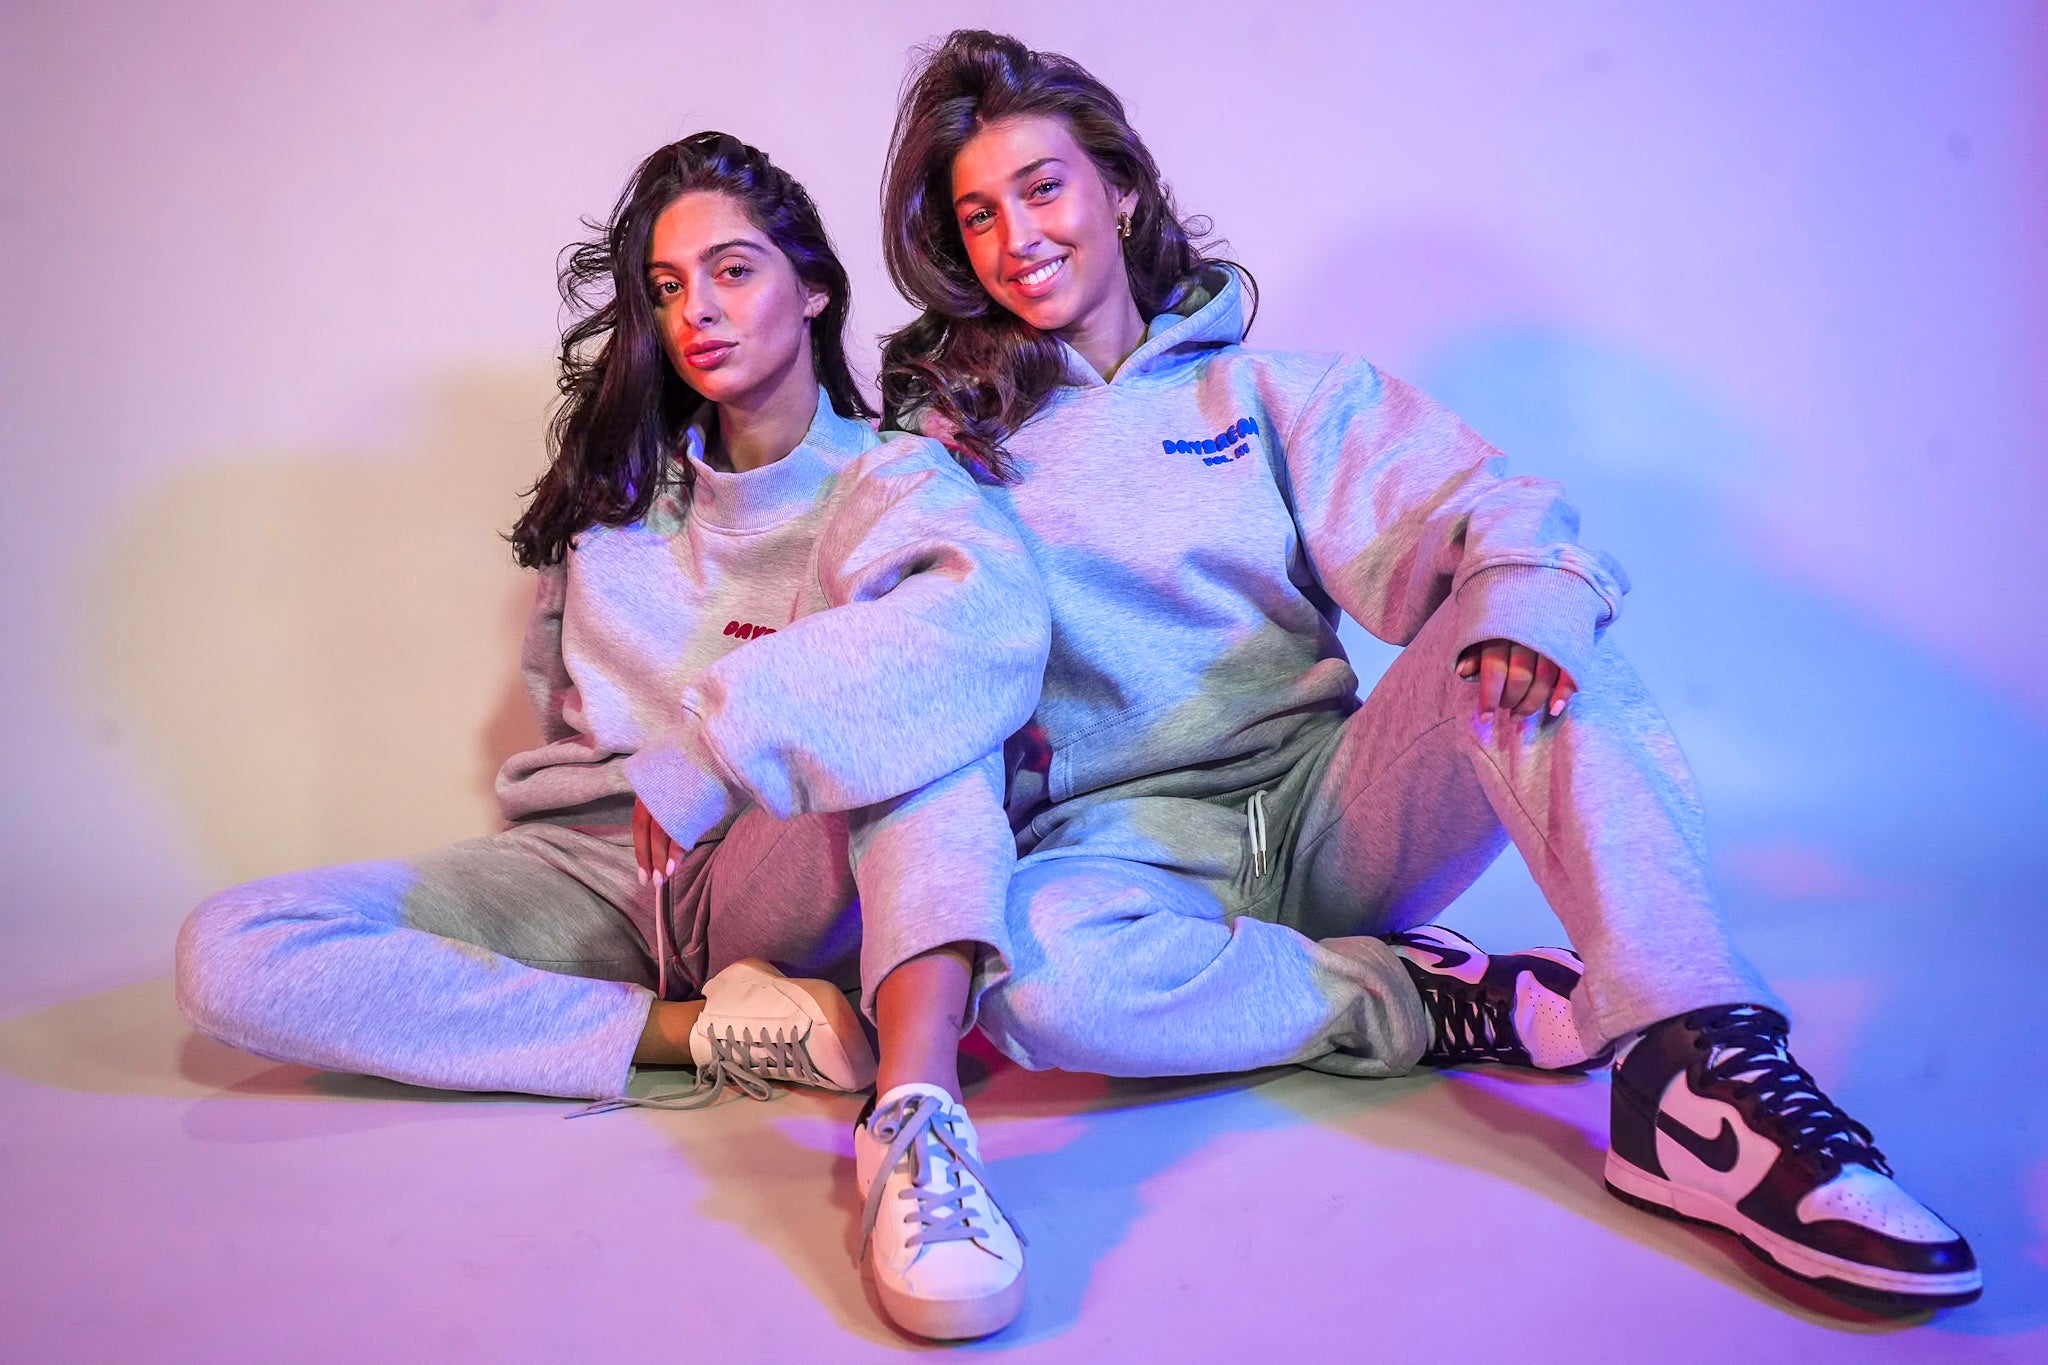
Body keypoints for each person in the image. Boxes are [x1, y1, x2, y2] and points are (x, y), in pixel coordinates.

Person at [875, 30, 1979, 1310]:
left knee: (1527, 614)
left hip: (1335, 819)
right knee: (1028, 987)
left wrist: (1515, 599)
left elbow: (1490, 508)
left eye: (1043, 188)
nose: (1017, 237)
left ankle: (1695, 1064)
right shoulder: (952, 449)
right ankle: (1415, 994)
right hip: (1124, 859)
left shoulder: (1272, 394)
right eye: (980, 215)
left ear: (1118, 190)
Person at [176, 132, 1038, 1340]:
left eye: (733, 271)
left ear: (812, 287)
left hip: (777, 868)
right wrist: (642, 889)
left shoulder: (893, 479)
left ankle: (912, 1118)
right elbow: (562, 705)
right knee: (235, 949)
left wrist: (710, 755)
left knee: (924, 728)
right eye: (669, 287)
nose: (698, 312)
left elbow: (981, 633)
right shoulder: (617, 500)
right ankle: (700, 1034)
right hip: (597, 874)